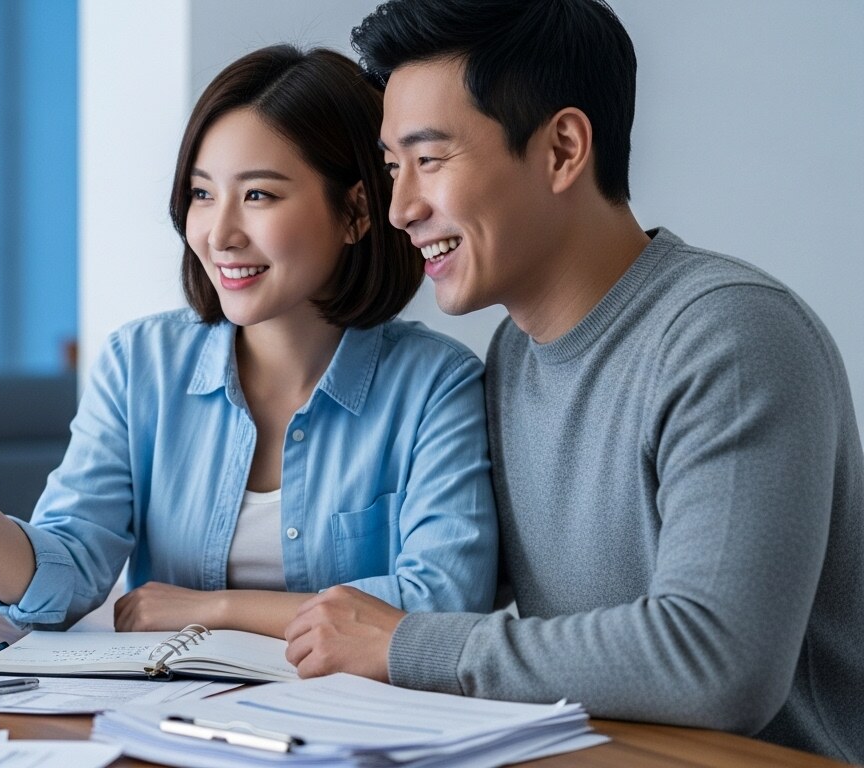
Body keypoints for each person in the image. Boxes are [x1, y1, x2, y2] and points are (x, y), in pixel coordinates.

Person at [283, 0, 864, 761]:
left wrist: (409, 646)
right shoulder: (509, 362)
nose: (400, 208)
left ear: (562, 149)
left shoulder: (731, 335)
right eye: (394, 169)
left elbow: (715, 664)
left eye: (428, 160)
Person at [0, 45, 497, 638]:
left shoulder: (437, 385)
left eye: (259, 195)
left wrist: (215, 607)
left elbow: (442, 603)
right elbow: (59, 584)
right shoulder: (140, 367)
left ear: (355, 211)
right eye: (203, 195)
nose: (220, 233)